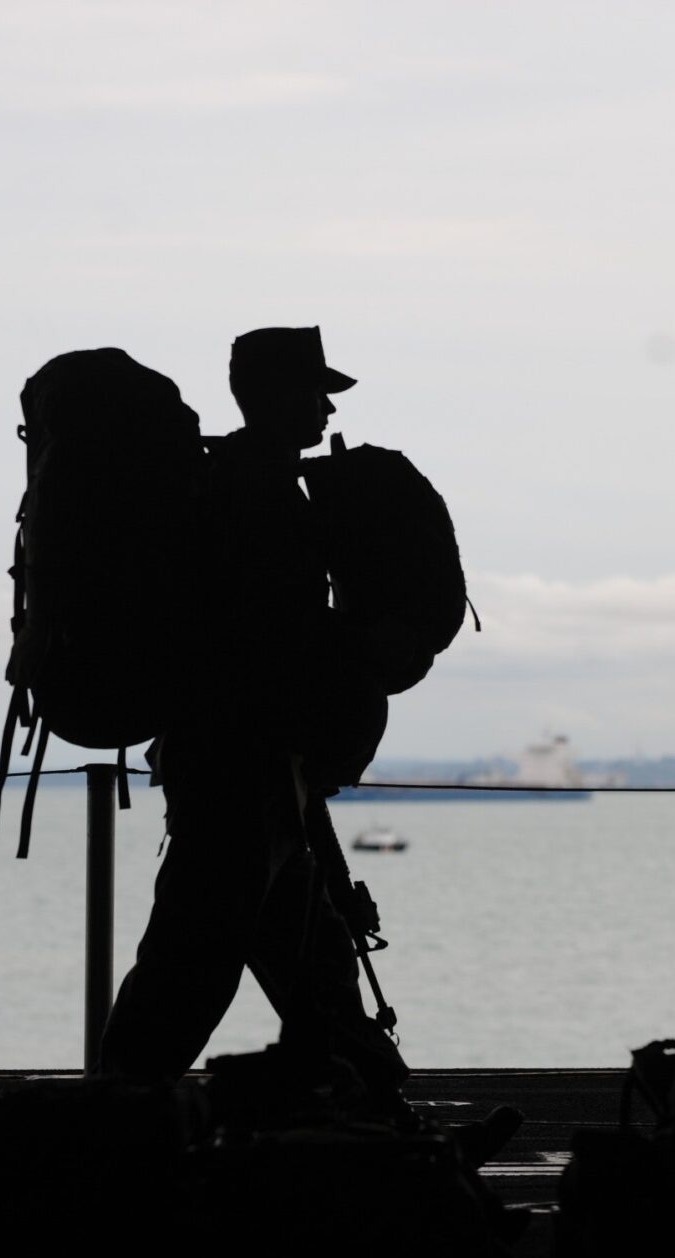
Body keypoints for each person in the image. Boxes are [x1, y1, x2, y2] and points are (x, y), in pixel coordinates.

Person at [97, 327, 408, 1110]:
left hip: (264, 775)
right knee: (192, 968)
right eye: (315, 388)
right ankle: (109, 1129)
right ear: (273, 396)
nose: (327, 403)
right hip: (240, 772)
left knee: (318, 970)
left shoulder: (254, 484)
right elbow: (267, 642)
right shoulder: (249, 494)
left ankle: (393, 1128)